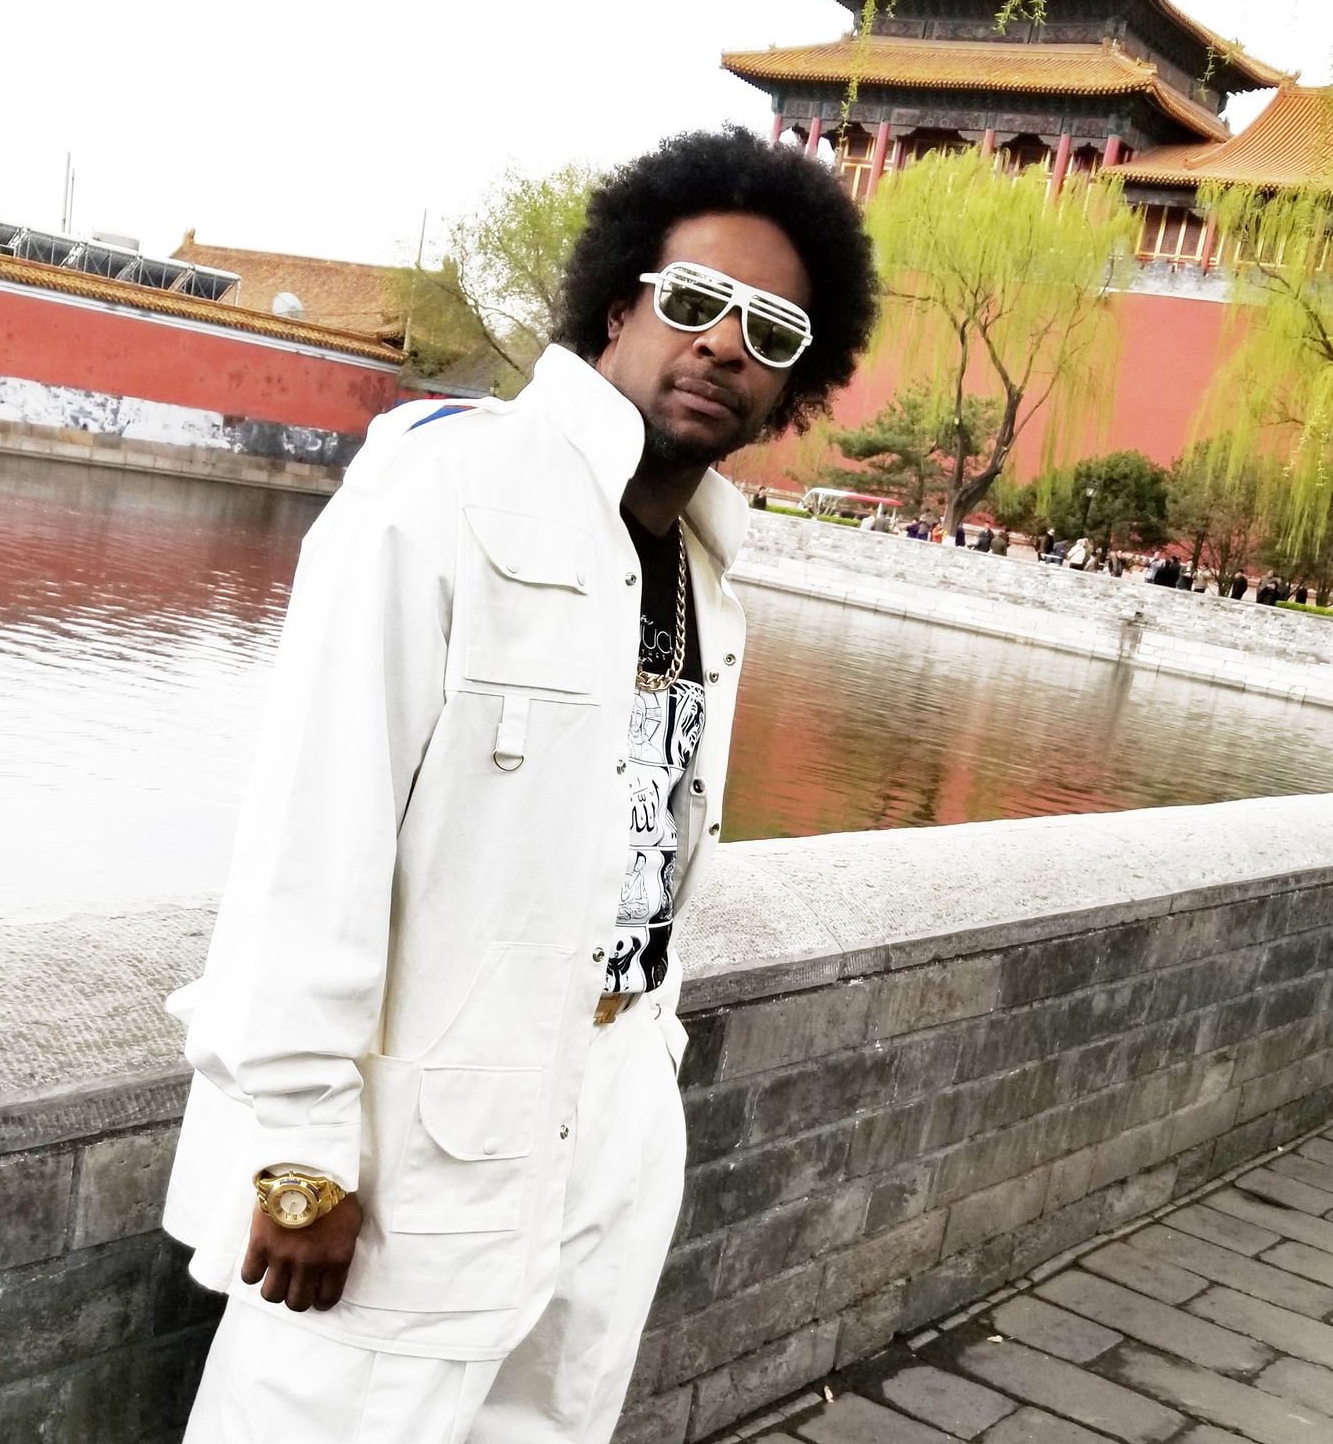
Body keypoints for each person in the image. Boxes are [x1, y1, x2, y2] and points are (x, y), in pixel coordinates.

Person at [162, 129, 879, 1444]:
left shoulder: (707, 572)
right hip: (415, 1137)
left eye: (772, 330)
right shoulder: (443, 493)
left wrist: (644, 1071)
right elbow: (312, 841)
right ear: (619, 306)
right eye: (696, 301)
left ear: (796, 383)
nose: (726, 345)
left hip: (610, 1117)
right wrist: (303, 1151)